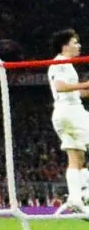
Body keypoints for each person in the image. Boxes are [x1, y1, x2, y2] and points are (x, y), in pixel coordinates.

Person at [47, 28, 89, 214]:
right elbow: (60, 86)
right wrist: (84, 84)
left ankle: (75, 198)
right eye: (75, 42)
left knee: (76, 157)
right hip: (70, 112)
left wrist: (84, 89)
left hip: (65, 112)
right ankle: (86, 191)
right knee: (77, 156)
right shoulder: (60, 63)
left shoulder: (67, 65)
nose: (79, 46)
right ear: (65, 46)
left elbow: (76, 92)